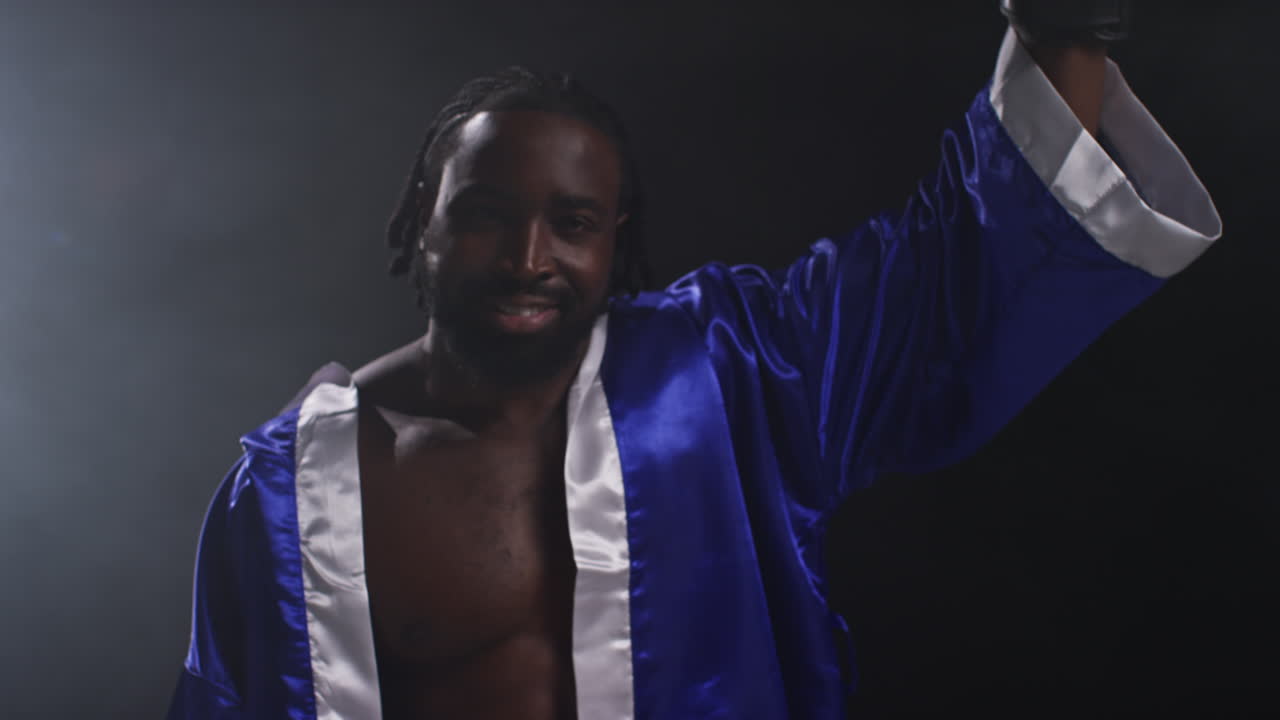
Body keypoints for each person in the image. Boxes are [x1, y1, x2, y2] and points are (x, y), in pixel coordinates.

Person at [166, 5, 1220, 719]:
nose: (530, 258)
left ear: (611, 243)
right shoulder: (291, 493)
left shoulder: (722, 375)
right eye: (486, 215)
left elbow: (949, 272)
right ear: (419, 221)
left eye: (570, 223)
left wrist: (1064, 27)